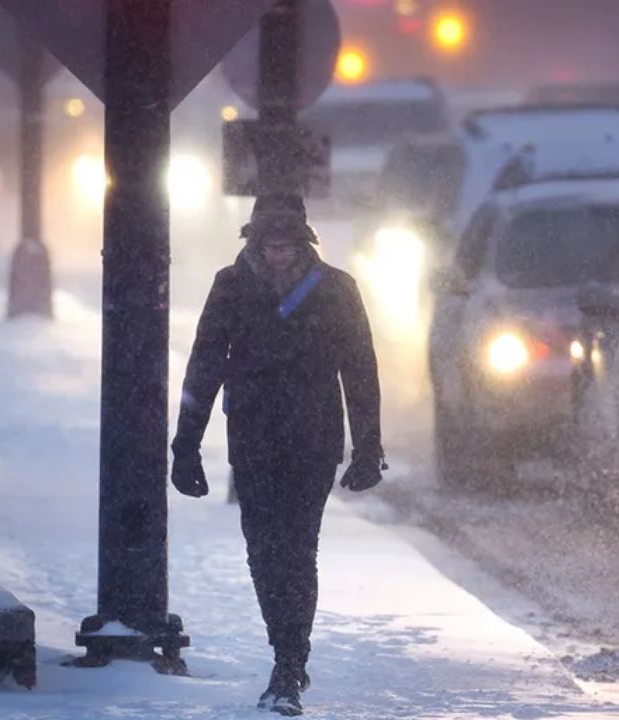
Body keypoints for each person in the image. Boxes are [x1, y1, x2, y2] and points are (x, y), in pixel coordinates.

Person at [170, 194, 385, 716]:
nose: (279, 255)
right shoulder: (231, 286)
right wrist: (186, 445)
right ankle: (285, 652)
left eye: (288, 245)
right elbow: (203, 366)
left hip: (312, 440)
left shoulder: (337, 289)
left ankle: (289, 663)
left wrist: (368, 446)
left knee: (297, 548)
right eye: (271, 244)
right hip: (254, 437)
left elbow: (359, 372)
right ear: (255, 241)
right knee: (264, 551)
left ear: (304, 241)